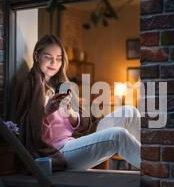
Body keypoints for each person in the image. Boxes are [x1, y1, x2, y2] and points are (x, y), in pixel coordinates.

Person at [12, 34, 141, 172]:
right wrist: (45, 112)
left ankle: (152, 158)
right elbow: (21, 128)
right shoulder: (28, 84)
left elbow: (83, 125)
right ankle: (155, 171)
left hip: (77, 141)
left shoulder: (63, 85)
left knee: (130, 111)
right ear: (37, 56)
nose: (53, 63)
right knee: (118, 135)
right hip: (58, 152)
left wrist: (72, 115)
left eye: (58, 59)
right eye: (48, 57)